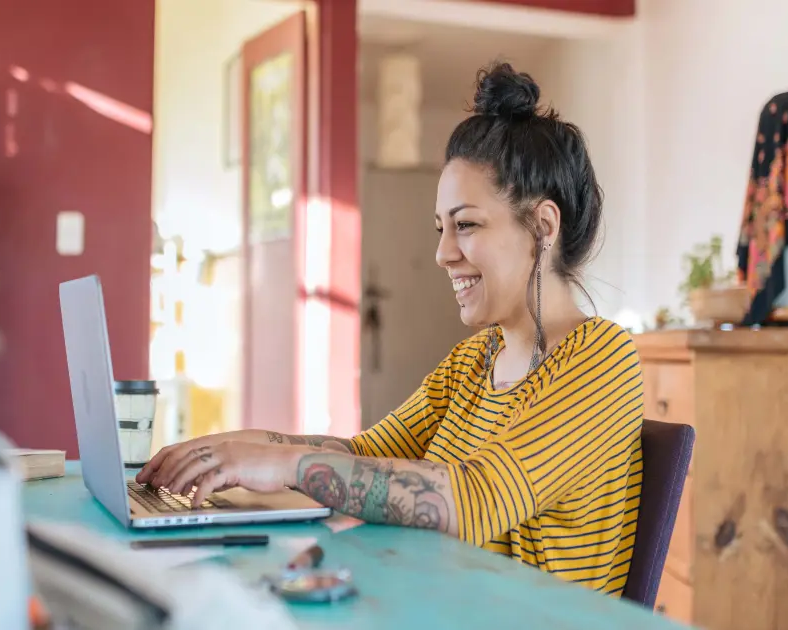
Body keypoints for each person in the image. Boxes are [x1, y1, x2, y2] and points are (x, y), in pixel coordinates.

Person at [137, 62, 643, 596]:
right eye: (441, 228)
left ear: (542, 227)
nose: (444, 253)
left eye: (465, 225)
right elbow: (360, 454)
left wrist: (283, 463)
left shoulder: (603, 358)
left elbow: (477, 499)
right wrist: (222, 451)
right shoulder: (473, 362)